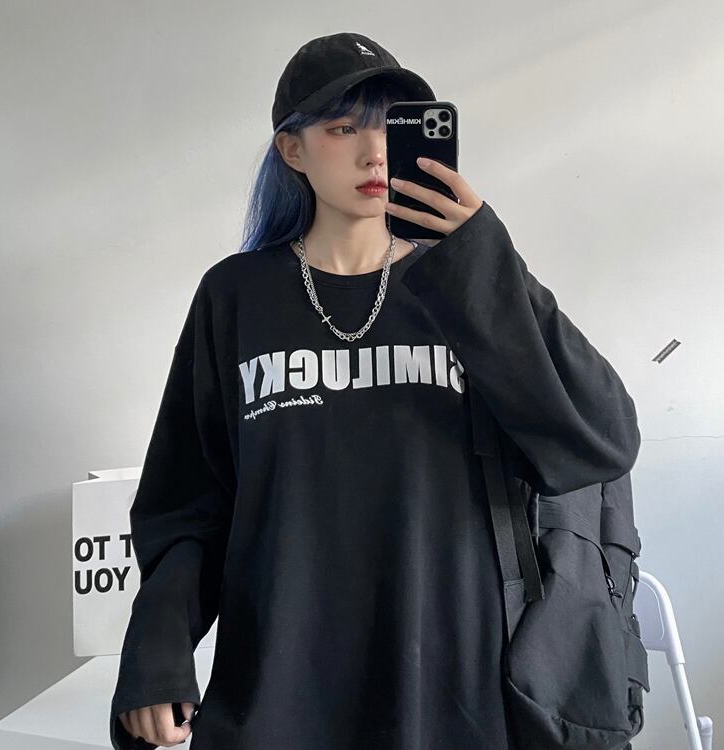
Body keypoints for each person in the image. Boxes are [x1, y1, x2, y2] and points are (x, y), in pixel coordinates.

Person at [109, 31, 641, 750]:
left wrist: (481, 259)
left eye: (392, 127)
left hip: (456, 691)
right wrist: (156, 650)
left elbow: (602, 440)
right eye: (342, 129)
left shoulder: (466, 283)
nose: (374, 153)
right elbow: (189, 501)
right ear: (292, 150)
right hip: (280, 688)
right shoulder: (235, 297)